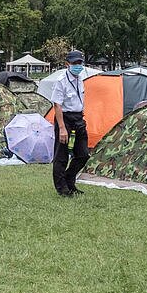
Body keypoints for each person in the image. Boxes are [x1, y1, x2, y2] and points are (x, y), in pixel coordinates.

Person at [50, 50, 90, 196]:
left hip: (78, 119)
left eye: (80, 63)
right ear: (67, 64)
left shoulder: (80, 79)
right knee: (62, 155)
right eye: (75, 63)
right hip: (65, 119)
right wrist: (62, 128)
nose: (78, 66)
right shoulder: (61, 81)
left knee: (83, 154)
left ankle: (69, 179)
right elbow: (57, 105)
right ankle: (62, 188)